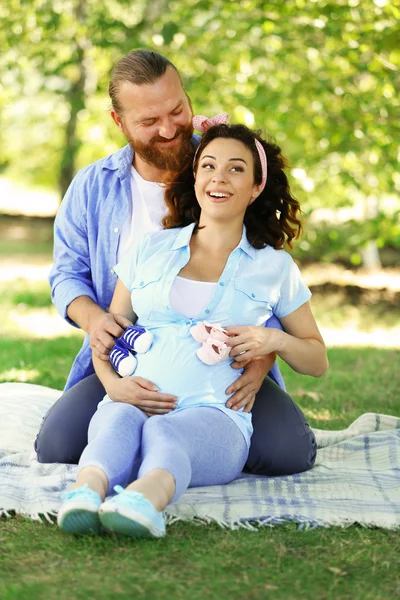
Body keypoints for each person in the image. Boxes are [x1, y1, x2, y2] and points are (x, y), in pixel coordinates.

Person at [35, 49, 318, 477]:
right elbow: (66, 274)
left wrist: (262, 357)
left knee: (286, 454)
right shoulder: (94, 186)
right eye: (149, 121)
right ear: (119, 122)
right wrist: (96, 322)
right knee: (57, 446)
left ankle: (185, 444)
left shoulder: (227, 166)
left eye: (177, 110)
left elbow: (264, 283)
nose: (169, 129)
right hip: (132, 361)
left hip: (221, 371)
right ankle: (145, 442)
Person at [57, 119, 328, 538]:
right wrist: (111, 384)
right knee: (116, 423)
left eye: (236, 169)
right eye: (208, 166)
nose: (218, 178)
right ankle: (84, 495)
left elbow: (317, 359)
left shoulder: (274, 267)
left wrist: (272, 339)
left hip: (215, 412)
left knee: (168, 433)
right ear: (196, 175)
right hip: (131, 395)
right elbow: (108, 334)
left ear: (256, 187)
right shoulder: (151, 248)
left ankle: (143, 502)